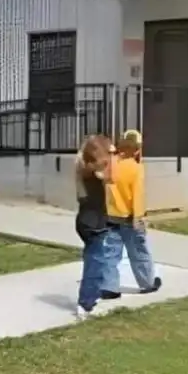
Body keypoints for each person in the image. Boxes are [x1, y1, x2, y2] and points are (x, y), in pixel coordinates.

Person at [100, 130, 162, 300]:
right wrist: (138, 217)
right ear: (136, 149)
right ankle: (147, 283)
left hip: (111, 216)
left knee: (110, 253)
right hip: (129, 217)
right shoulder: (136, 169)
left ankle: (109, 287)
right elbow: (138, 194)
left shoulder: (111, 166)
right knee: (139, 251)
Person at [74, 134, 114, 319]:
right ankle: (86, 303)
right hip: (94, 223)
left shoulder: (81, 166)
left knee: (96, 259)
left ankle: (92, 295)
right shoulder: (93, 173)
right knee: (95, 263)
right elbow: (111, 177)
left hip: (85, 220)